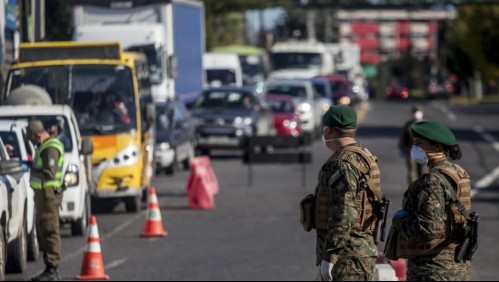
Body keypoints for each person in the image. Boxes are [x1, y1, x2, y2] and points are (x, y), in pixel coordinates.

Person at [386, 120, 472, 280]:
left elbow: (429, 230)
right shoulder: (458, 172)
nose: (415, 148)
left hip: (432, 269)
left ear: (437, 146)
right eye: (414, 143)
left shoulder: (432, 181)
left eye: (420, 143)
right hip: (457, 264)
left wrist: (399, 220)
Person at [314, 105, 383, 281]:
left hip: (347, 257)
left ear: (329, 130)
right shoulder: (363, 156)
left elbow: (344, 213)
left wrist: (330, 256)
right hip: (358, 252)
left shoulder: (343, 164)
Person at [27, 120, 65, 281]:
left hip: (49, 195)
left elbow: (49, 172)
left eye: (33, 138)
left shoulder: (50, 148)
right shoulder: (44, 146)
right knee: (43, 228)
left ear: (38, 135)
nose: (33, 142)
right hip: (44, 195)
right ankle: (49, 268)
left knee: (50, 229)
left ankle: (52, 269)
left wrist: (32, 168)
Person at [398, 105, 425, 184]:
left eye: (418, 112)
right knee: (412, 171)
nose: (416, 114)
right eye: (415, 112)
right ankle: (413, 189)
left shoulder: (426, 125)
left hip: (423, 152)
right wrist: (403, 148)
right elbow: (403, 138)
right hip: (411, 151)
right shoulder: (408, 125)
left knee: (423, 171)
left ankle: (422, 188)